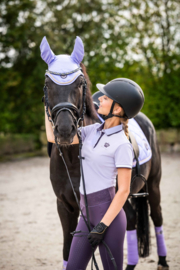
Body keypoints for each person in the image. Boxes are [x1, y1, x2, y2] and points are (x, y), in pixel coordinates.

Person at [45, 78, 144, 270]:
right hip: (86, 215)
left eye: (105, 98)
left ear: (116, 109)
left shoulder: (122, 145)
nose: (99, 100)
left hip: (109, 219)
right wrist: (48, 107)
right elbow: (52, 137)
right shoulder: (92, 131)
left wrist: (102, 226)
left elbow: (123, 191)